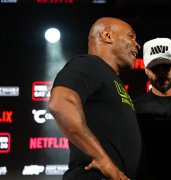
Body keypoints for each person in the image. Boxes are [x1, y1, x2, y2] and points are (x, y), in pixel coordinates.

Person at [48, 17, 142, 180]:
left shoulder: (111, 78)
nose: (137, 44)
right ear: (107, 35)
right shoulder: (90, 64)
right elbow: (60, 103)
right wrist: (103, 161)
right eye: (131, 36)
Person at [134, 38, 171, 180]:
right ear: (145, 69)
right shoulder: (135, 108)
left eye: (166, 66)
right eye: (155, 68)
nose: (161, 73)